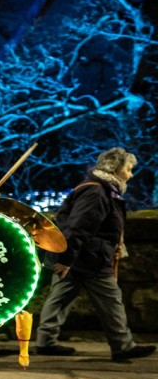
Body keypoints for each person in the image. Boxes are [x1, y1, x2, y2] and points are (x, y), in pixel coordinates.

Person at [34, 147, 155, 362]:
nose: (131, 175)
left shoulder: (96, 188)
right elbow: (79, 227)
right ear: (115, 168)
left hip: (78, 255)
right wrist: (67, 259)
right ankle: (122, 346)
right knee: (111, 300)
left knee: (60, 298)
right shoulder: (97, 192)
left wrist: (66, 258)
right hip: (89, 258)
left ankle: (45, 341)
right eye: (128, 169)